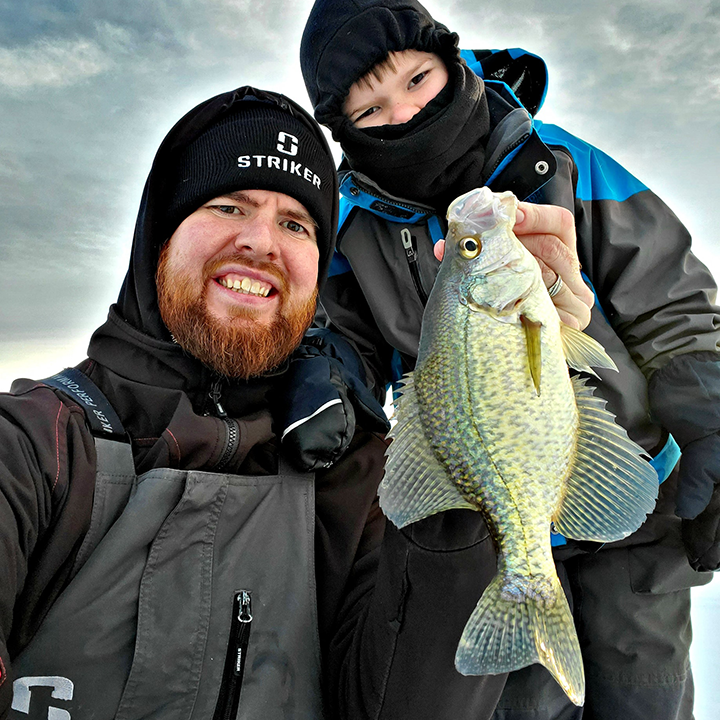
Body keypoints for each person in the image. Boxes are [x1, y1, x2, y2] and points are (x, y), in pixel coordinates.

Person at [0, 86, 520, 719]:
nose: (260, 242)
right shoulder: (37, 445)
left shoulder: (364, 481)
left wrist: (469, 483)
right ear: (160, 235)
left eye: (295, 224)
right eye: (227, 205)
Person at [299, 1, 720, 718]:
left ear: (453, 61)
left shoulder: (566, 165)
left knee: (645, 692)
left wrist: (711, 417)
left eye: (416, 79)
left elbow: (674, 304)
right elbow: (345, 346)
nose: (401, 114)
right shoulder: (350, 230)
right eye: (369, 112)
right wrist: (325, 384)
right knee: (529, 708)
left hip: (635, 505)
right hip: (492, 526)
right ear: (343, 131)